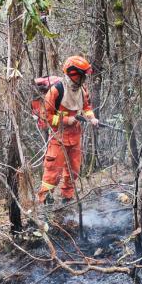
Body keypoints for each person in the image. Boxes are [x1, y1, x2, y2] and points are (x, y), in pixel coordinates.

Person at [37, 56, 99, 204]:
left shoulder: (82, 90)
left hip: (75, 137)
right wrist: (65, 120)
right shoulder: (56, 91)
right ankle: (45, 202)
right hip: (58, 138)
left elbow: (86, 108)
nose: (84, 78)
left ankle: (67, 199)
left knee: (74, 171)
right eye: (81, 75)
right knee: (53, 173)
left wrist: (92, 118)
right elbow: (45, 116)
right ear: (73, 74)